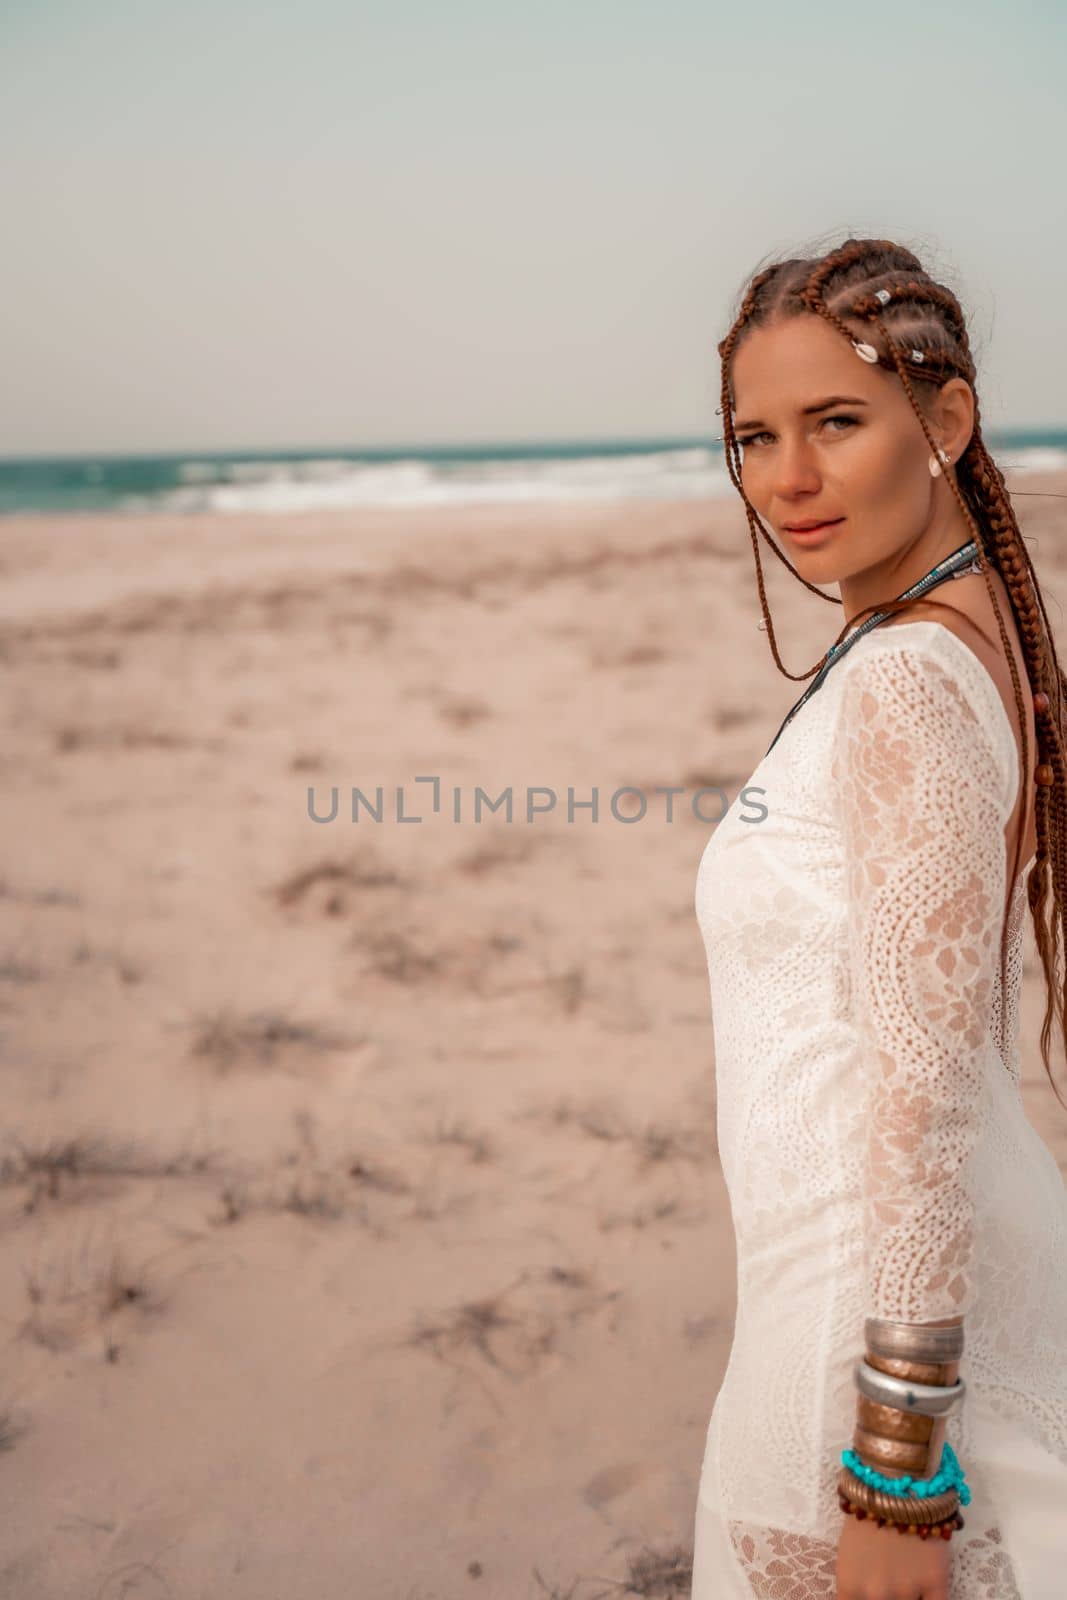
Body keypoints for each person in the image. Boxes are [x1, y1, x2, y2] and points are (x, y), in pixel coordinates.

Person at [691, 237, 1067, 1600]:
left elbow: (923, 1102)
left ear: (947, 421)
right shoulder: (941, 638)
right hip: (890, 1308)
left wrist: (898, 1466)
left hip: (860, 1346)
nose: (786, 479)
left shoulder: (910, 675)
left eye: (836, 422)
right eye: (754, 437)